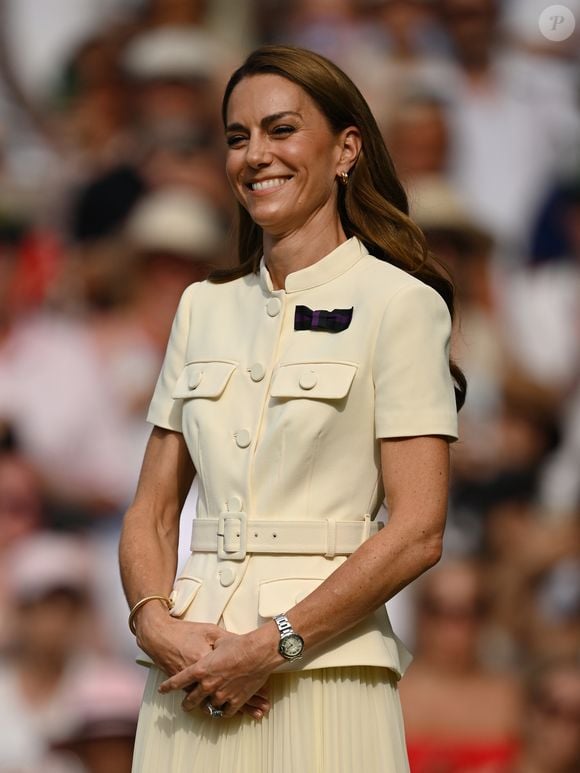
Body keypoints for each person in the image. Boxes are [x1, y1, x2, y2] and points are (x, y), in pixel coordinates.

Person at [119, 44, 465, 773]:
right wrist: (155, 623)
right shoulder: (201, 306)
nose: (254, 155)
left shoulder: (401, 305)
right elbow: (151, 509)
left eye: (280, 130)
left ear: (346, 150)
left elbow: (417, 530)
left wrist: (273, 642)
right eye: (237, 136)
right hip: (190, 670)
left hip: (325, 674)